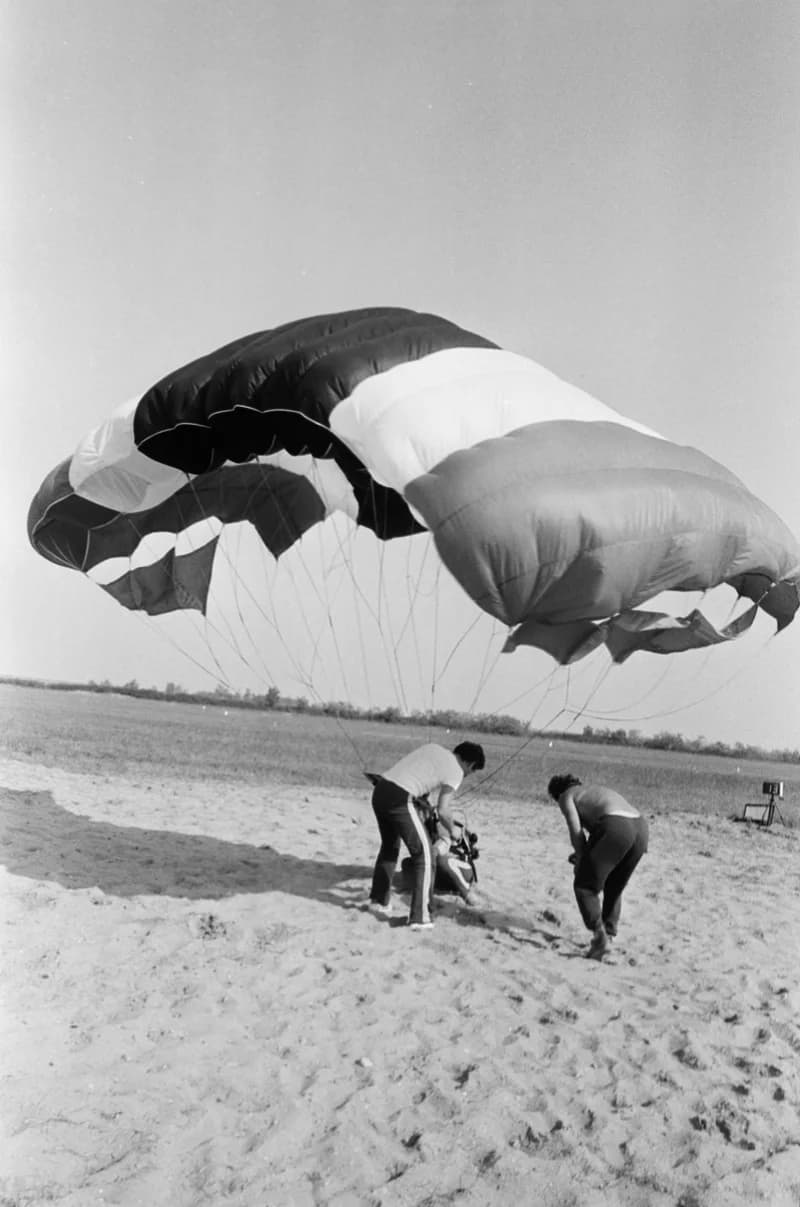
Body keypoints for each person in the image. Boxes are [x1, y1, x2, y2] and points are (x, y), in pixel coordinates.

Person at [366, 741, 485, 929]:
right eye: (472, 771)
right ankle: (421, 917)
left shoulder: (433, 748)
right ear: (470, 765)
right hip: (400, 798)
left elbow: (419, 779)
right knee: (425, 855)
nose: (468, 775)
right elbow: (444, 809)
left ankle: (379, 902)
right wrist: (452, 829)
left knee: (390, 847)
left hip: (380, 790)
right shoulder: (457, 771)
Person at [547, 773, 649, 960]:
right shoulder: (591, 791)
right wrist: (586, 857)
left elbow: (576, 833)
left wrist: (580, 860)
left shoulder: (566, 796)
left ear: (556, 794)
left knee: (584, 887)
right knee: (613, 886)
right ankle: (609, 934)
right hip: (640, 829)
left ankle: (599, 935)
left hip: (616, 828)